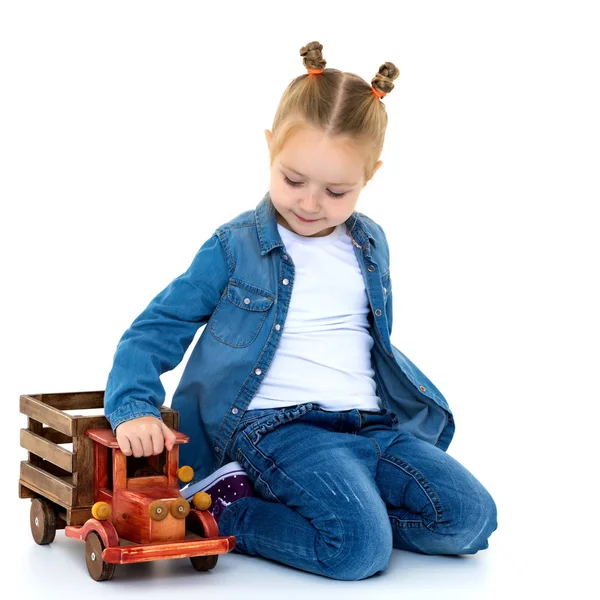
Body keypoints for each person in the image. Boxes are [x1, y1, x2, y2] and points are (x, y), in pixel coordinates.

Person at [104, 40, 497, 580]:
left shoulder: (370, 244)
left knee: (471, 520)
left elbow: (364, 341)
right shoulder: (235, 246)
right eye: (293, 180)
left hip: (368, 427)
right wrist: (135, 408)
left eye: (337, 190)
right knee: (358, 552)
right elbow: (155, 330)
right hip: (277, 429)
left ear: (372, 175)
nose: (311, 204)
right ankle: (224, 507)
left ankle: (344, 510)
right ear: (270, 149)